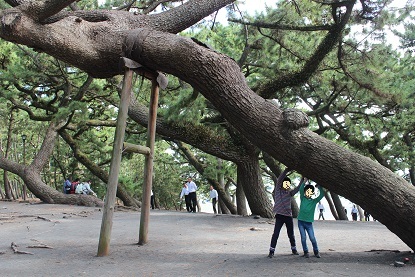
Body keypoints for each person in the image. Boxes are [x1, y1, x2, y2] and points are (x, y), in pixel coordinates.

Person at [268, 168, 301, 258]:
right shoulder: (278, 191)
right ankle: (271, 251)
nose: (286, 184)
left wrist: (302, 180)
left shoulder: (289, 193)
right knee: (276, 233)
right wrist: (286, 170)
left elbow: (298, 189)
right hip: (279, 216)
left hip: (288, 216)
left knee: (291, 234)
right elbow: (279, 179)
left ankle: (294, 249)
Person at [297, 179, 325, 258]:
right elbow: (301, 189)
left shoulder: (314, 201)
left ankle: (316, 251)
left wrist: (319, 187)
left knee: (312, 238)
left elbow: (322, 194)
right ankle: (306, 252)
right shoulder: (302, 198)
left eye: (310, 191)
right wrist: (304, 181)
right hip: (301, 222)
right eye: (307, 191)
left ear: (312, 193)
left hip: (309, 223)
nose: (308, 193)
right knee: (303, 238)